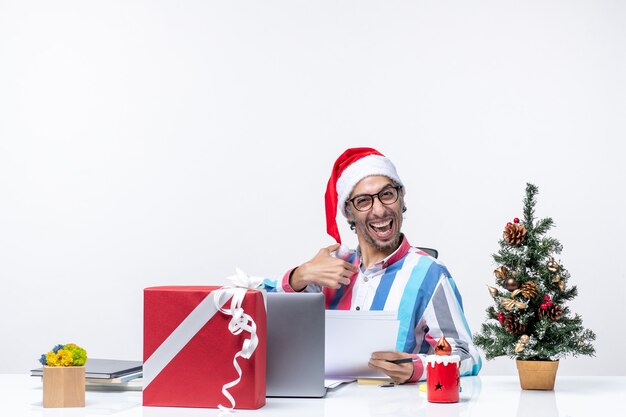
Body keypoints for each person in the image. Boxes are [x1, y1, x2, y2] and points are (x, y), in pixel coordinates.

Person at [276, 147, 481, 384]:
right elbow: (251, 310)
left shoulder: (429, 274)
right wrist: (300, 276)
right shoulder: (328, 270)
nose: (380, 210)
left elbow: (468, 356)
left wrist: (416, 368)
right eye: (363, 201)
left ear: (401, 197)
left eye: (387, 194)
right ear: (349, 213)